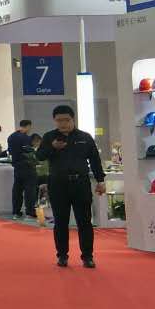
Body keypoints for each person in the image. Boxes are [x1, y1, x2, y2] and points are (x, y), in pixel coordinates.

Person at [37, 105, 105, 268]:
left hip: (81, 183)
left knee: (85, 221)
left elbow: (95, 160)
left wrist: (100, 180)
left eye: (66, 120)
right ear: (54, 120)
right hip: (58, 184)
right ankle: (62, 255)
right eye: (59, 120)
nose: (63, 124)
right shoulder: (49, 137)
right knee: (60, 221)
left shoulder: (84, 137)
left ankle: (87, 256)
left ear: (73, 119)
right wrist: (53, 148)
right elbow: (39, 156)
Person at [7, 119, 36, 220]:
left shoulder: (11, 137)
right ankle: (30, 212)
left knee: (17, 190)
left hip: (16, 166)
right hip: (27, 166)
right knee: (30, 190)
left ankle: (16, 212)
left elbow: (9, 151)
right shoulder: (25, 138)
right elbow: (29, 152)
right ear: (28, 126)